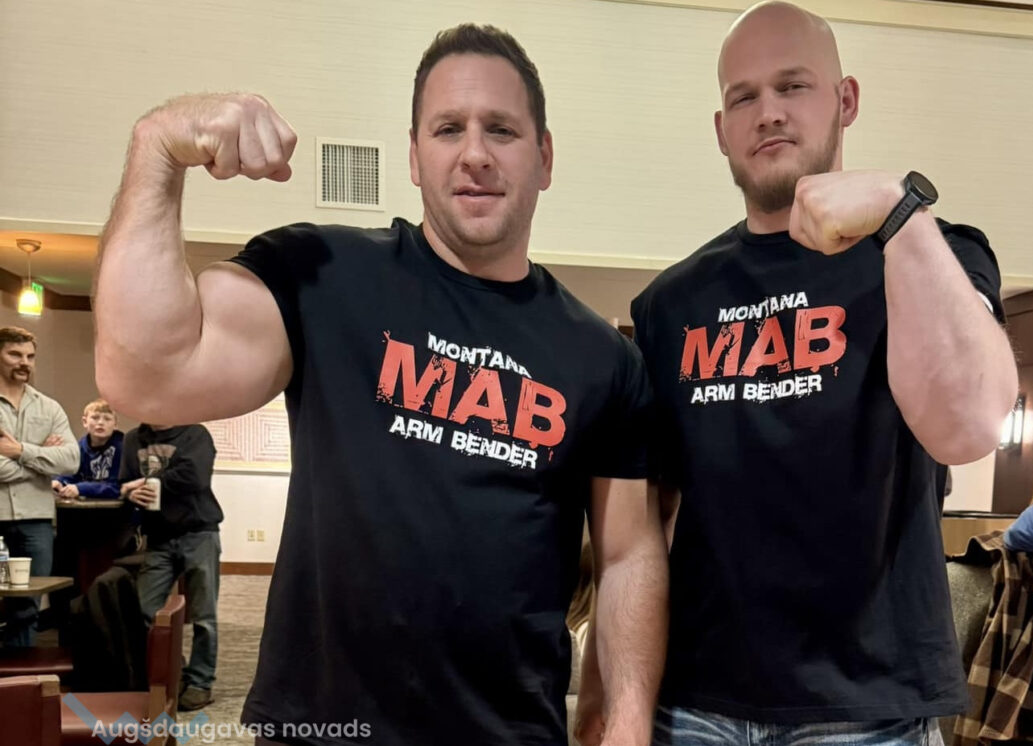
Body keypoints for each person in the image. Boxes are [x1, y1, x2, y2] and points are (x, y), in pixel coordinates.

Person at [93, 23, 667, 746]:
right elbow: (143, 376)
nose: (475, 153)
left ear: (544, 156)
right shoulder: (324, 276)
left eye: (502, 129)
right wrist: (157, 147)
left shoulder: (602, 356)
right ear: (415, 156)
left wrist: (627, 719)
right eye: (449, 128)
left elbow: (627, 555)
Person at [611, 3, 1019, 745]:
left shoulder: (933, 254)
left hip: (864, 709)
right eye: (744, 96)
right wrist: (623, 704)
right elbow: (649, 526)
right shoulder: (670, 304)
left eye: (792, 86)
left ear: (845, 99)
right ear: (722, 129)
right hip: (696, 703)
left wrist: (899, 213)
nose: (768, 111)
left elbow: (970, 426)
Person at [118, 422, 221, 711]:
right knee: (143, 611)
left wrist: (146, 482)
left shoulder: (195, 433)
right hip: (159, 538)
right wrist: (130, 493)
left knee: (203, 616)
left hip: (199, 532)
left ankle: (200, 683)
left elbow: (195, 476)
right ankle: (176, 671)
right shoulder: (133, 438)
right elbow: (125, 481)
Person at [0, 326, 81, 647]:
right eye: (15, 354)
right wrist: (40, 460)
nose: (25, 362)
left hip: (36, 521)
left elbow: (71, 460)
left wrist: (21, 450)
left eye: (30, 356)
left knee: (27, 606)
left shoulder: (49, 407)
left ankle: (19, 670)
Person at [53, 399, 125, 501]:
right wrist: (60, 482)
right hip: (87, 505)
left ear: (115, 425)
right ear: (85, 422)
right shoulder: (80, 447)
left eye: (107, 419)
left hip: (116, 506)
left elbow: (117, 487)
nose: (100, 423)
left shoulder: (122, 447)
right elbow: (72, 474)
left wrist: (81, 488)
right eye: (95, 418)